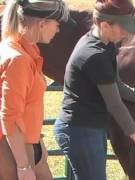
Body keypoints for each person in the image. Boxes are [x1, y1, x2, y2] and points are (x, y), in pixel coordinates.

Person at [54, 0, 135, 179]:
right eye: (122, 27)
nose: (126, 32)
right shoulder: (95, 54)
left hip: (91, 127)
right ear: (105, 25)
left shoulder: (104, 44)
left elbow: (118, 86)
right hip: (80, 130)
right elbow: (115, 104)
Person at [0, 0, 70, 179]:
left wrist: (38, 144)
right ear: (42, 23)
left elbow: (29, 107)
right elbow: (10, 117)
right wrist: (23, 166)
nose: (58, 30)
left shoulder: (24, 51)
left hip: (25, 143)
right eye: (57, 24)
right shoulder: (18, 60)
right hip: (12, 148)